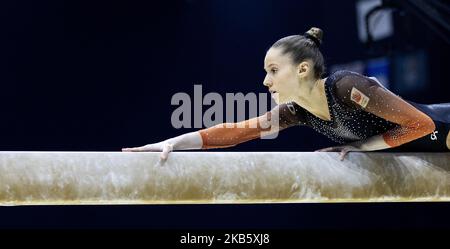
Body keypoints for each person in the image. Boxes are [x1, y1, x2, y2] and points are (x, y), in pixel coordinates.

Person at [122, 27, 450, 161]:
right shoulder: (298, 111)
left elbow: (421, 125)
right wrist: (175, 143)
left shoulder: (346, 86)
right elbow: (239, 131)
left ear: (304, 69)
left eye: (273, 70)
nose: (265, 81)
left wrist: (361, 147)